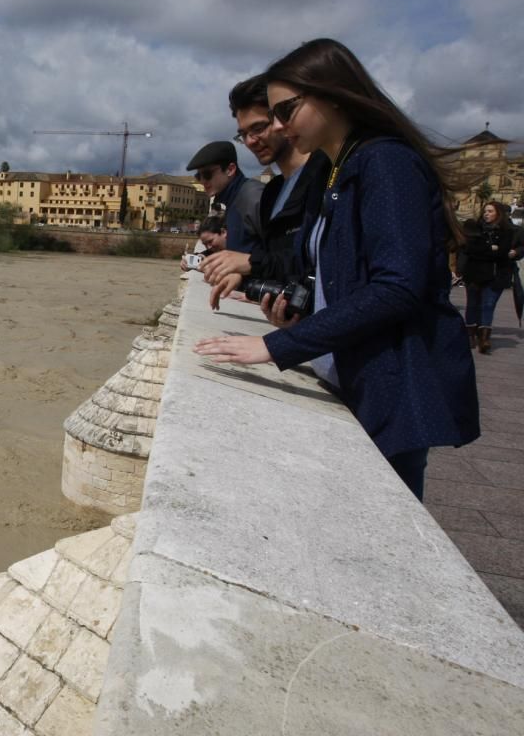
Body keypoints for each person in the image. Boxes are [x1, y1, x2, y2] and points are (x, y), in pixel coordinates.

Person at [193, 38, 479, 502]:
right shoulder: (341, 169)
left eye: (287, 110)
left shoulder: (386, 162)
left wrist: (277, 345)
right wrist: (300, 317)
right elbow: (335, 276)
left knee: (384, 521)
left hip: (391, 384)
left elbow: (397, 287)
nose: (281, 126)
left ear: (332, 94)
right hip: (355, 373)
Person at [201, 75, 331, 307]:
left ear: (283, 118)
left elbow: (323, 262)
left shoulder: (326, 176)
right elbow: (279, 262)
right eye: (243, 134)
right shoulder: (273, 192)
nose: (251, 141)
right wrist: (243, 275)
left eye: (259, 128)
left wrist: (251, 263)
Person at [459, 201, 522, 353]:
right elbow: (469, 249)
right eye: (485, 211)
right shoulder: (475, 228)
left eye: (490, 211)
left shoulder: (508, 231)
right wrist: (490, 249)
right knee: (472, 304)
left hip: (496, 274)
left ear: (498, 214)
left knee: (488, 305)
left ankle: (484, 339)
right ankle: (470, 336)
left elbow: (502, 252)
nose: (486, 214)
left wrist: (489, 251)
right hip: (474, 273)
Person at [185, 141, 265, 255]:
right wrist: (202, 257)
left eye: (207, 174)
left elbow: (282, 256)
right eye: (198, 176)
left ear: (230, 169)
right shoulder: (232, 200)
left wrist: (249, 265)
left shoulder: (253, 197)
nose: (202, 181)